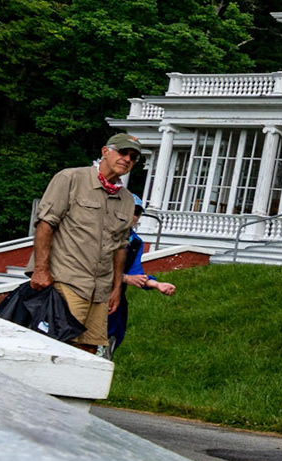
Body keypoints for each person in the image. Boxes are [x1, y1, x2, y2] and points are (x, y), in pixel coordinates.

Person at [31, 134, 141, 356]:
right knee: (56, 346)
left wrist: (116, 288)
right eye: (123, 152)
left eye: (133, 157)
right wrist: (40, 269)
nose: (127, 159)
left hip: (99, 290)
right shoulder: (70, 178)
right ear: (105, 152)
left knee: (88, 350)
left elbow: (120, 246)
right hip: (66, 280)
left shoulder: (127, 199)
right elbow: (45, 224)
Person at [108, 199, 176, 354]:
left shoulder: (136, 242)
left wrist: (156, 284)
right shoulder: (101, 233)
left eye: (137, 213)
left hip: (115, 298)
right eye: (130, 210)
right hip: (90, 294)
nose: (133, 216)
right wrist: (125, 278)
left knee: (113, 336)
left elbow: (135, 272)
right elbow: (91, 268)